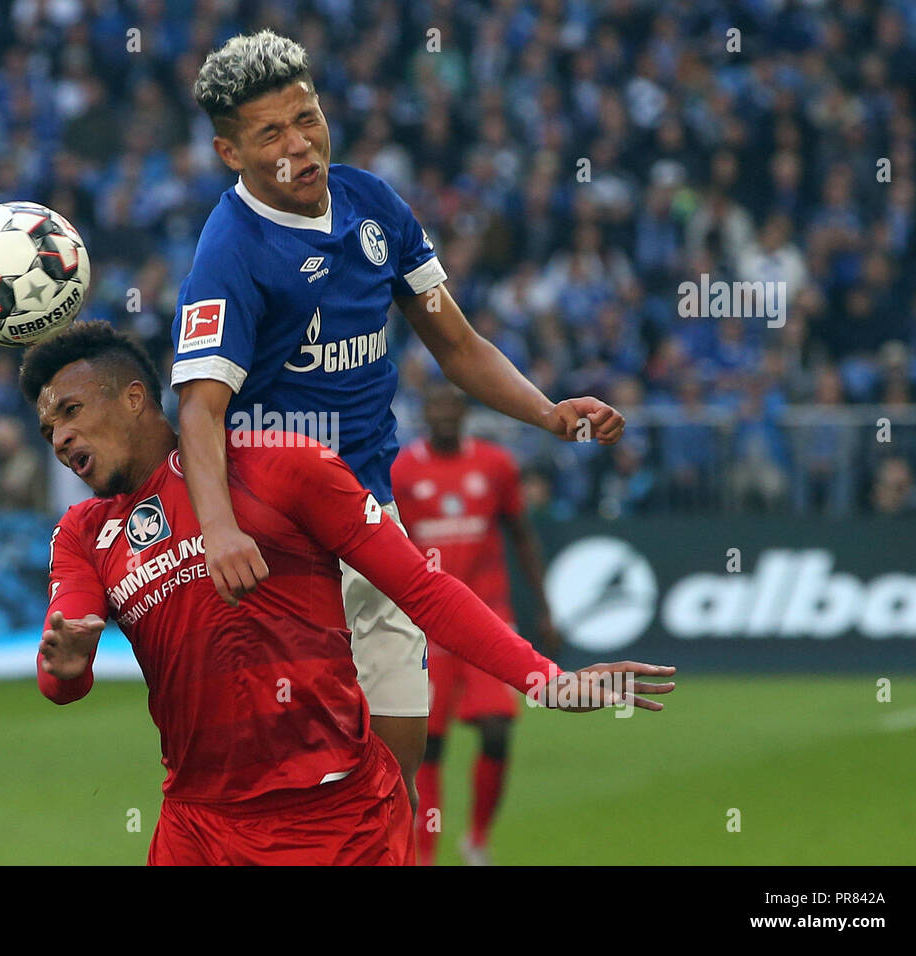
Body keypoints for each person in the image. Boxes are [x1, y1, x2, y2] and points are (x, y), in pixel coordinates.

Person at [23, 321, 674, 866]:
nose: (59, 438)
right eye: (48, 425)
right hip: (195, 827)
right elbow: (63, 664)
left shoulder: (281, 466)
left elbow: (420, 587)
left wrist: (543, 679)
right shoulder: (82, 535)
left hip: (335, 818)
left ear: (135, 398)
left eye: (72, 412)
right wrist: (65, 662)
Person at [171, 30, 626, 806]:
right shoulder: (230, 251)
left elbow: (456, 341)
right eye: (270, 134)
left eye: (307, 118)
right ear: (229, 151)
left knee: (396, 772)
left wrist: (549, 413)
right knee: (288, 784)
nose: (300, 144)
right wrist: (218, 527)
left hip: (368, 514)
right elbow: (199, 407)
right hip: (274, 534)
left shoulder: (372, 203)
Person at [391, 385, 560, 865]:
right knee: (429, 744)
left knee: (496, 732)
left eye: (451, 407)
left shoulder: (496, 465)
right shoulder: (402, 471)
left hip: (488, 618)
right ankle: (425, 854)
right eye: (435, 407)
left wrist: (545, 608)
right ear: (425, 414)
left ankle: (477, 839)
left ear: (464, 414)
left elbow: (522, 536)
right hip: (426, 624)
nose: (444, 415)